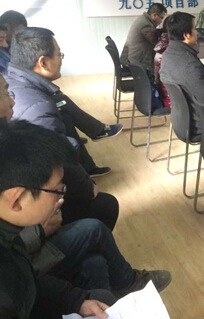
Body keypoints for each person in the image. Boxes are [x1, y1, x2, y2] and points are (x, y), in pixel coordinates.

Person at [0, 120, 172, 319]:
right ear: (16, 199)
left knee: (96, 268)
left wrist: (76, 300)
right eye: (57, 190)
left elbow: (28, 279)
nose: (61, 197)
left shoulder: (9, 234)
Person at [5, 28, 120, 230]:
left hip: (25, 182)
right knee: (106, 205)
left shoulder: (14, 80)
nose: (61, 59)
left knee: (65, 115)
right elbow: (61, 163)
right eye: (59, 54)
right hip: (36, 198)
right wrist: (88, 189)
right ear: (43, 62)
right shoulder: (38, 108)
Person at [160, 12, 204, 137]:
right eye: (195, 29)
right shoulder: (189, 64)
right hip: (199, 125)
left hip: (181, 121)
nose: (197, 33)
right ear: (186, 35)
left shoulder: (167, 55)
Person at [120, 3, 167, 71]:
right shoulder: (146, 24)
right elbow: (156, 41)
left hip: (132, 58)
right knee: (163, 68)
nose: (161, 21)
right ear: (154, 15)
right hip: (138, 63)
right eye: (161, 18)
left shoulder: (142, 19)